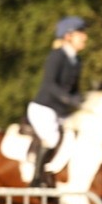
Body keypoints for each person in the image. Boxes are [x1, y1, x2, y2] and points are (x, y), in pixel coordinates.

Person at [26, 16, 88, 186]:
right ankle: (38, 179)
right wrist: (69, 99)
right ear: (68, 36)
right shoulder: (57, 56)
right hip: (43, 108)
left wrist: (83, 100)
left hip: (61, 111)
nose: (85, 37)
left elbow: (74, 89)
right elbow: (50, 85)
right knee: (52, 139)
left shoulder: (77, 60)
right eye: (80, 33)